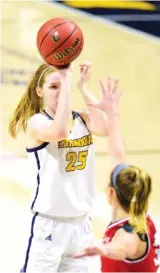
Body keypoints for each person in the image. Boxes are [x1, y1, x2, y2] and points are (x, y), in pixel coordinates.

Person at [8, 61, 109, 273]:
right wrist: (65, 78)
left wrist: (82, 86)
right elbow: (60, 132)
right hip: (49, 226)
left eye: (63, 87)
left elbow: (104, 127)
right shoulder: (36, 122)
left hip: (81, 227)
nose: (59, 92)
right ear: (40, 91)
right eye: (54, 87)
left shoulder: (81, 119)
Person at [73, 78, 160, 272]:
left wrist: (104, 248)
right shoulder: (139, 214)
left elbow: (124, 247)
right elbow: (117, 154)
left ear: (110, 193)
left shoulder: (129, 232)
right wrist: (111, 114)